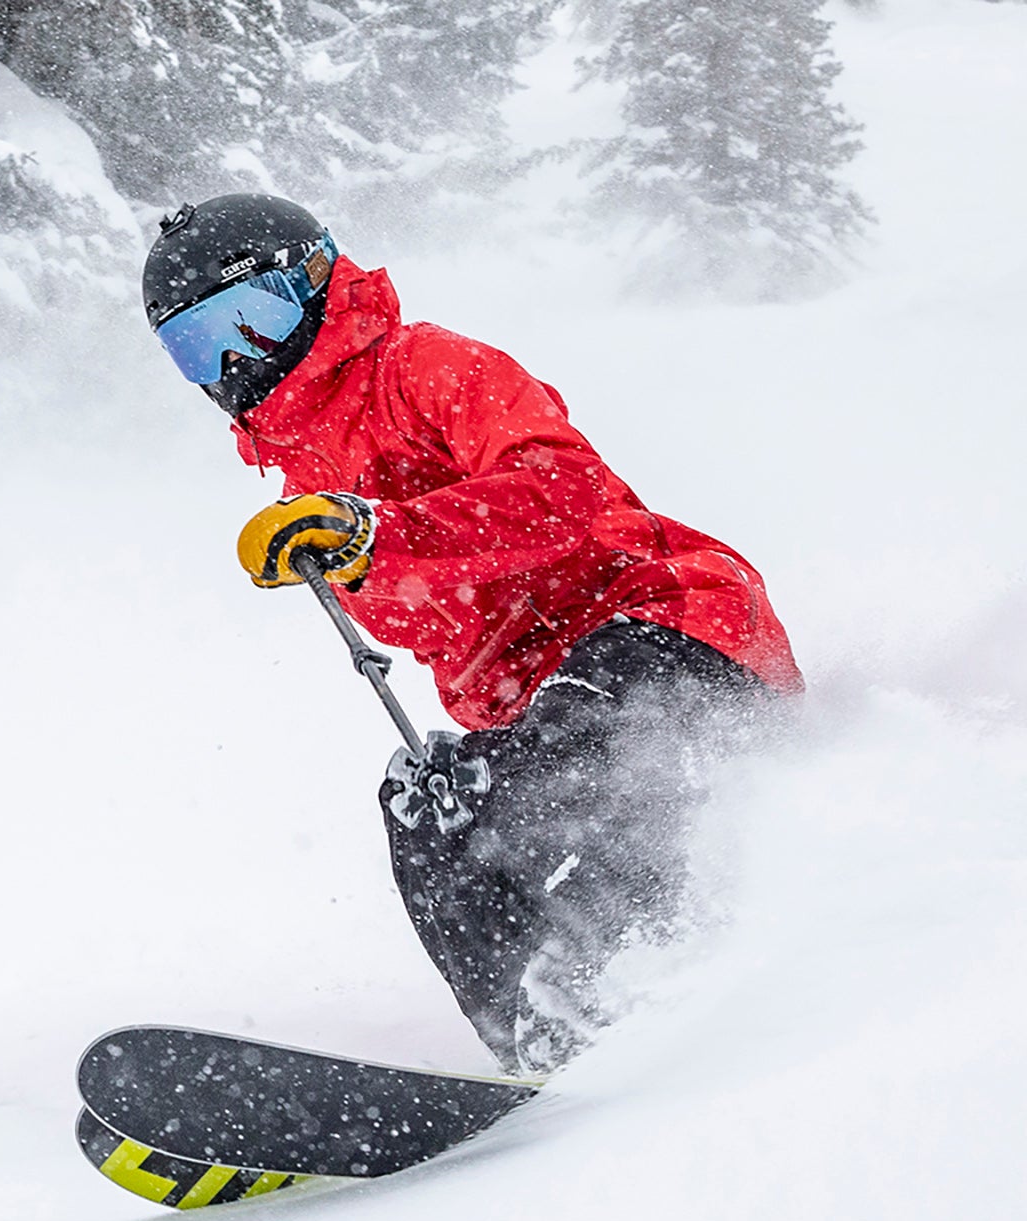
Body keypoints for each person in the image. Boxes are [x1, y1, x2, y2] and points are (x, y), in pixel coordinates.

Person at [142, 193, 802, 1074]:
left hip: (670, 625)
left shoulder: (427, 367)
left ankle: (625, 978)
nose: (234, 360)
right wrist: (351, 557)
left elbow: (564, 489)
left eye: (250, 320)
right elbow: (448, 625)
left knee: (573, 744)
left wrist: (379, 533)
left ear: (312, 285)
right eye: (199, 347)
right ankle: (537, 1041)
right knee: (429, 803)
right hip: (537, 711)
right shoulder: (305, 472)